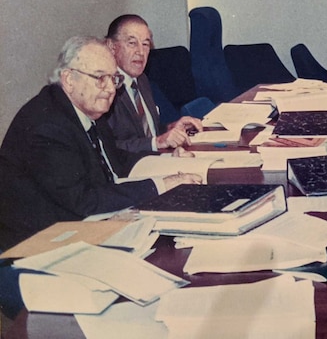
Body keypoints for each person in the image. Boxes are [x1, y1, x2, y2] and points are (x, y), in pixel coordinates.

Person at [0, 36, 201, 249]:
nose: (110, 89)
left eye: (113, 79)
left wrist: (169, 162)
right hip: (36, 244)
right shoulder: (47, 125)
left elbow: (114, 159)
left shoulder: (85, 108)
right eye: (99, 78)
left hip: (77, 222)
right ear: (69, 79)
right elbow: (83, 200)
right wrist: (161, 184)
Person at [104, 14, 203, 152]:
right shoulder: (105, 88)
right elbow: (108, 148)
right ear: (111, 46)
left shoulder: (142, 80)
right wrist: (157, 142)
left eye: (145, 44)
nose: (140, 52)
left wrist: (171, 128)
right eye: (132, 43)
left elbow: (147, 132)